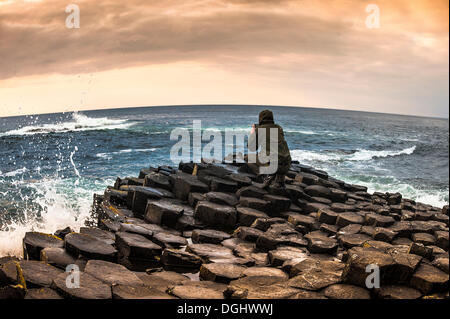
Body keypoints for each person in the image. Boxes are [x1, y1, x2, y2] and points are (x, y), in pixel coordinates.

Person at [246, 109, 291, 188]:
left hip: (274, 166)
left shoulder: (259, 129)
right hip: (287, 166)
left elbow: (252, 148)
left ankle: (267, 177)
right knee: (279, 155)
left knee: (248, 158)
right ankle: (280, 181)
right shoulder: (279, 128)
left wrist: (253, 132)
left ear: (260, 118)